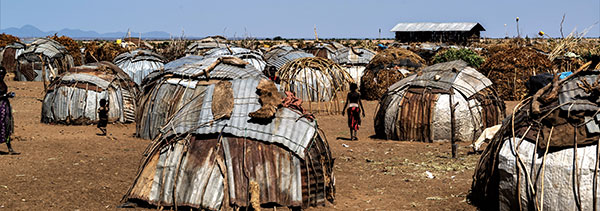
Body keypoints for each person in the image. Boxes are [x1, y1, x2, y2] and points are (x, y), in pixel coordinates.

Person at [0, 66, 17, 154]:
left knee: (7, 126)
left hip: (5, 107)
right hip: (1, 107)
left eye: (3, 74)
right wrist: (5, 96)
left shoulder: (2, 83)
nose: (1, 76)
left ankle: (9, 148)